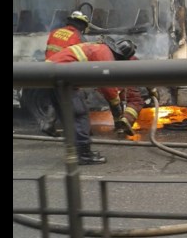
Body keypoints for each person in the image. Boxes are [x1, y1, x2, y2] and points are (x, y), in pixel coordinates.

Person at [45, 37, 145, 165]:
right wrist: (116, 109)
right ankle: (84, 155)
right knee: (80, 115)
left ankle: (74, 153)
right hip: (63, 78)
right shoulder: (105, 55)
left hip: (51, 76)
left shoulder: (99, 48)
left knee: (69, 117)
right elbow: (107, 87)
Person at [38, 10, 90, 137]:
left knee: (56, 97)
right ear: (81, 25)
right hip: (66, 72)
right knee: (76, 100)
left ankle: (48, 124)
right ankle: (78, 131)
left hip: (49, 69)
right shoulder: (78, 37)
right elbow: (81, 59)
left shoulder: (54, 32)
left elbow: (48, 51)